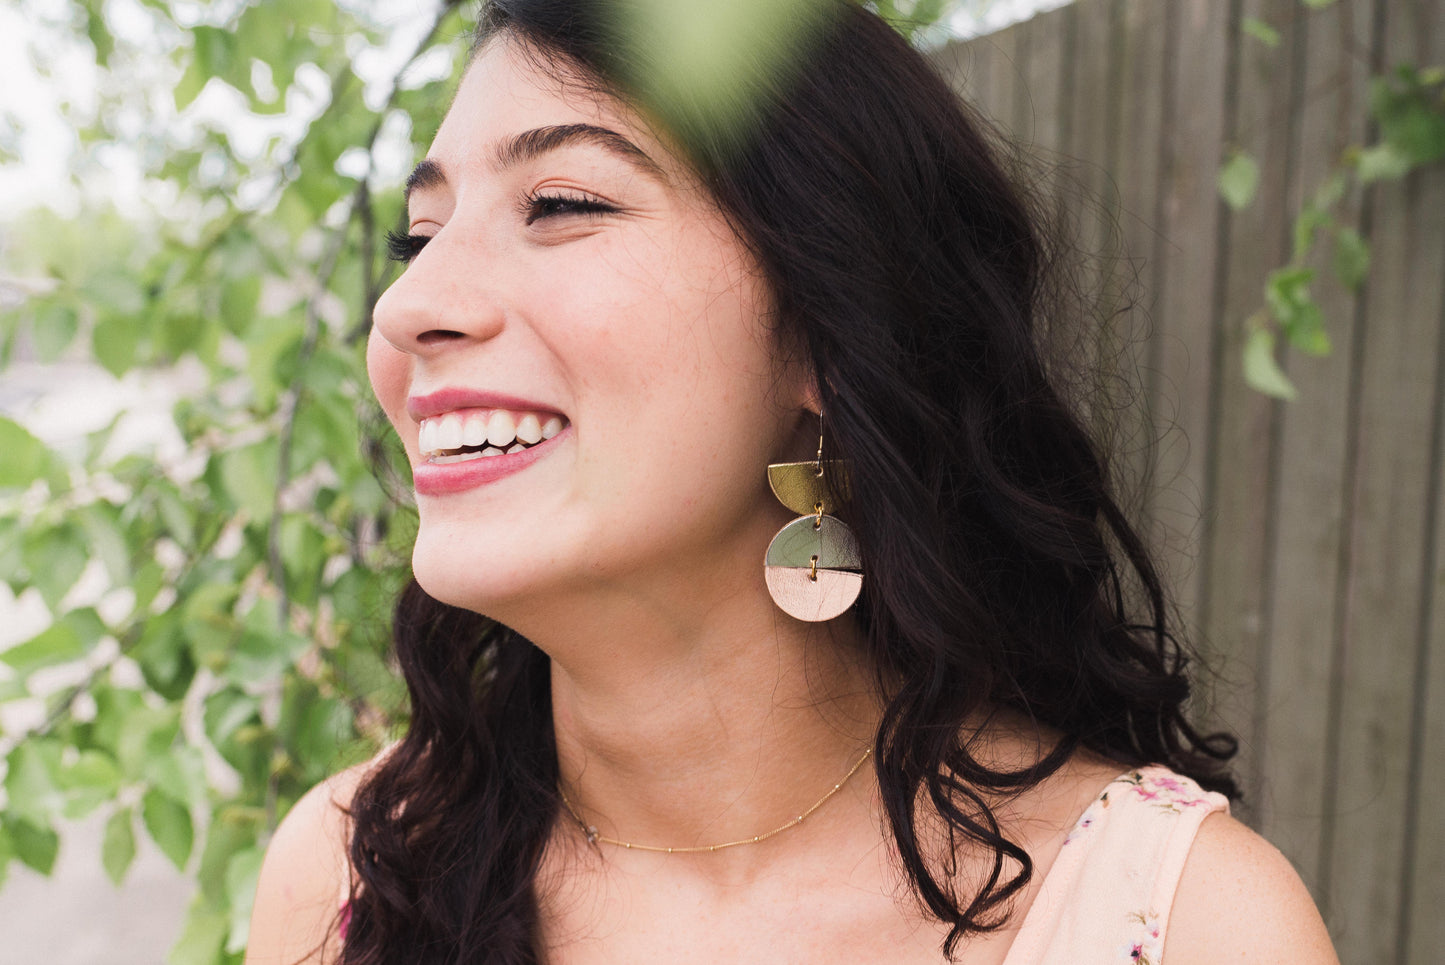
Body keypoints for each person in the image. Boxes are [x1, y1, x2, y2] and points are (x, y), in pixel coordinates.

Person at [245, 1, 1340, 962]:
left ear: (826, 329)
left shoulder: (1184, 920)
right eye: (416, 234)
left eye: (562, 202)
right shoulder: (352, 869)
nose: (404, 306)